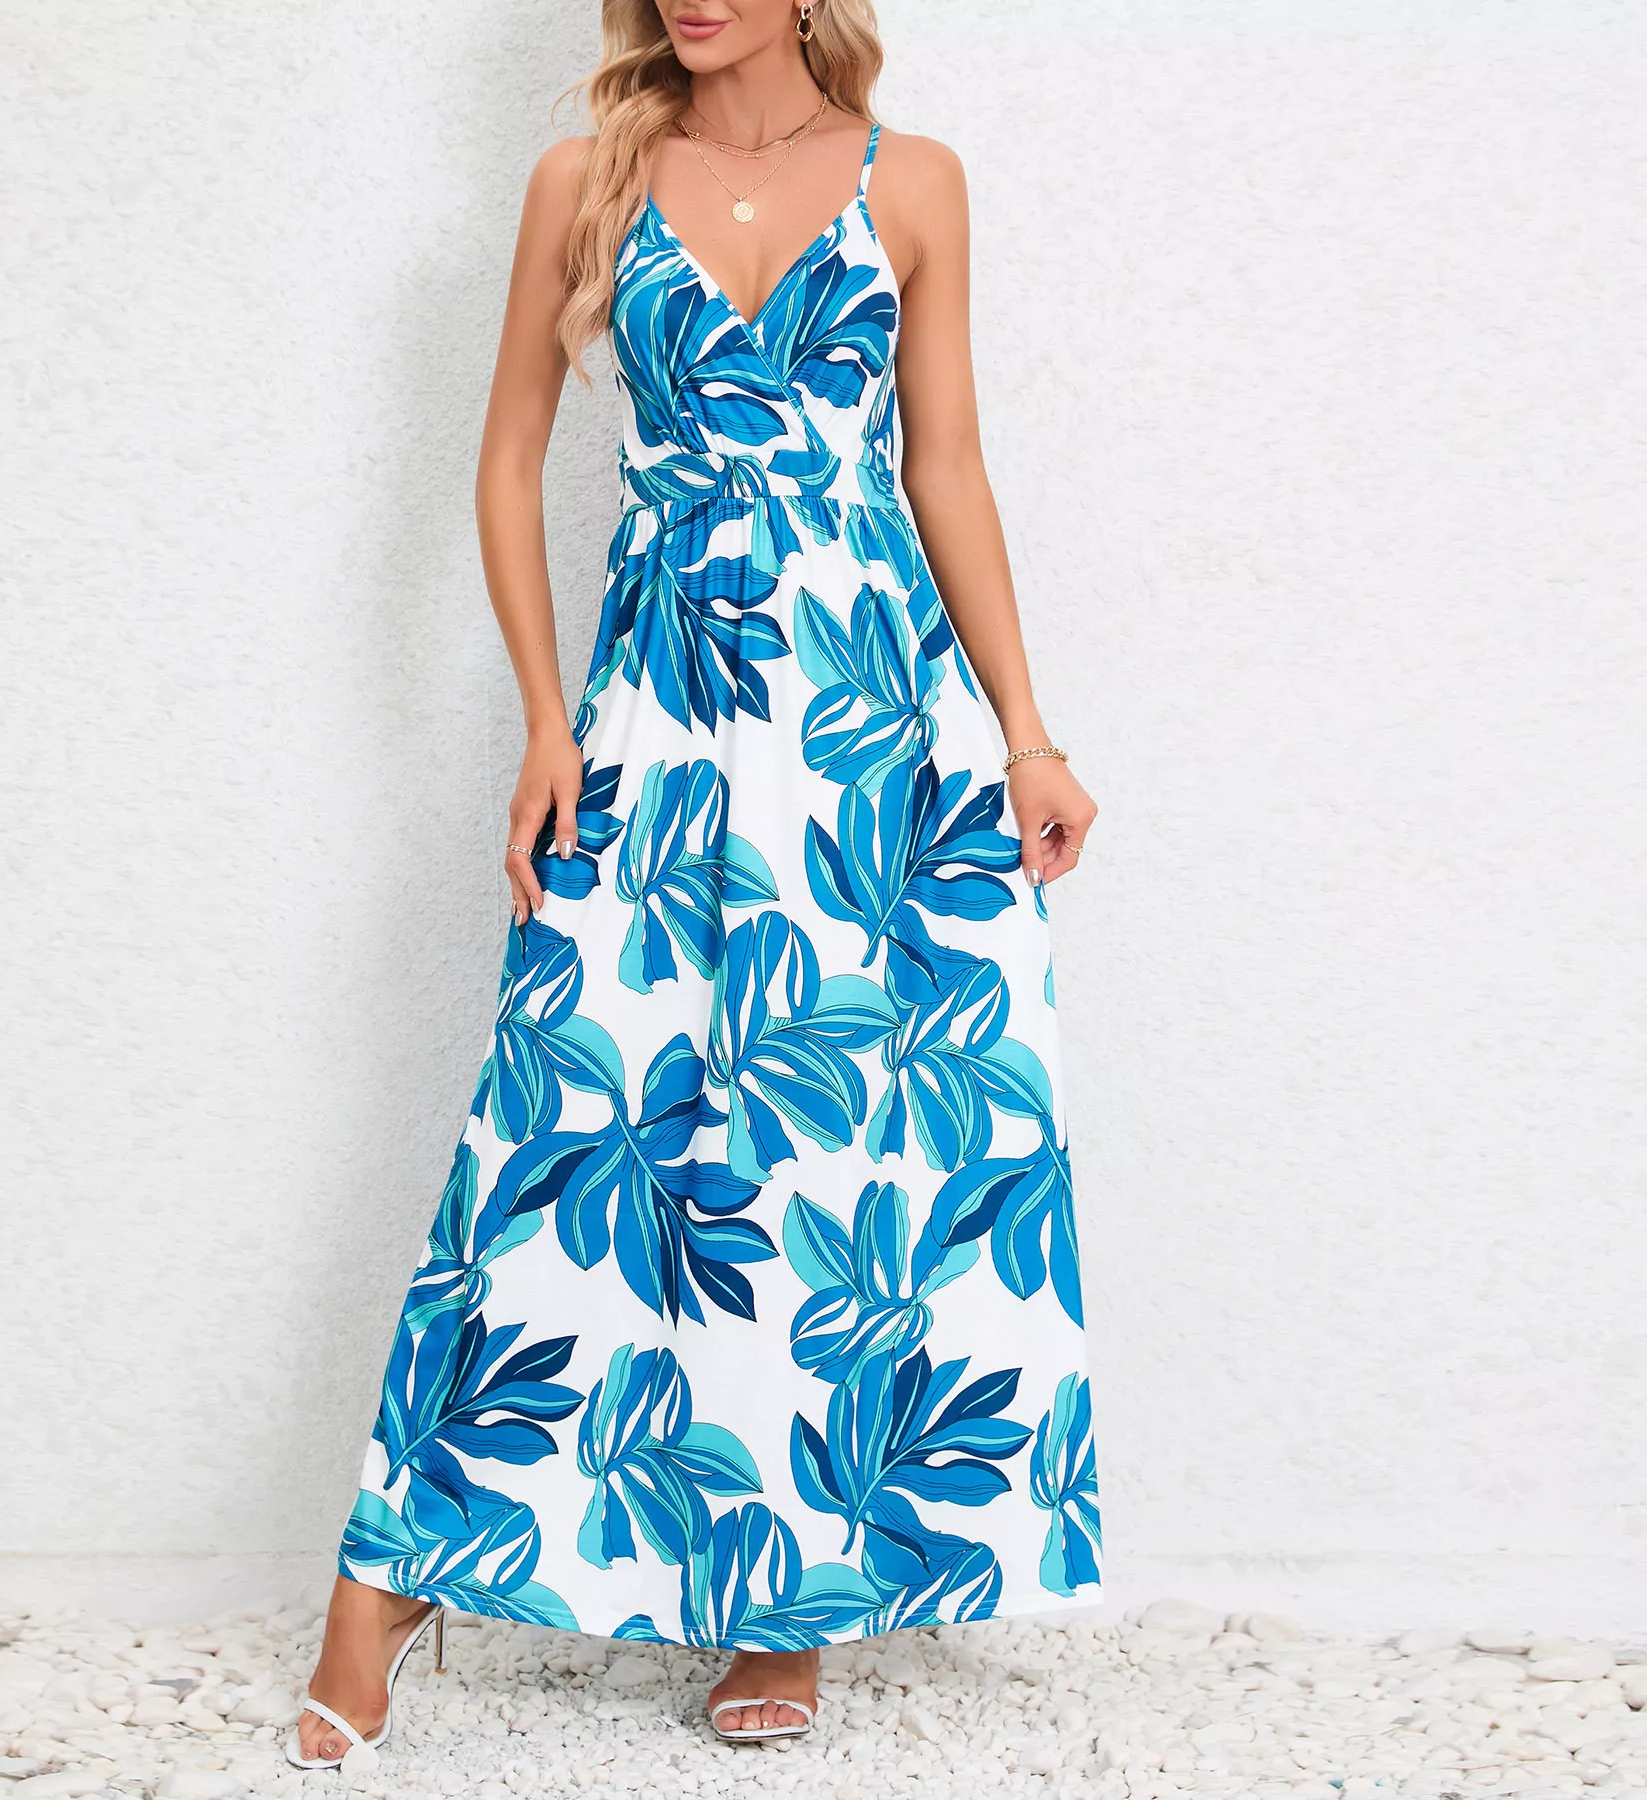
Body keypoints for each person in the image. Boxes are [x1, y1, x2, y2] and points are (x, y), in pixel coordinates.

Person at [290, 0, 1102, 1771]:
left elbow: (943, 465)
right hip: (659, 701)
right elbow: (508, 461)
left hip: (870, 716)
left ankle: (777, 1603)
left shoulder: (915, 183)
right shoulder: (585, 180)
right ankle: (390, 1573)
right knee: (570, 1110)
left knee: (823, 1142)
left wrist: (1028, 733)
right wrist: (541, 720)